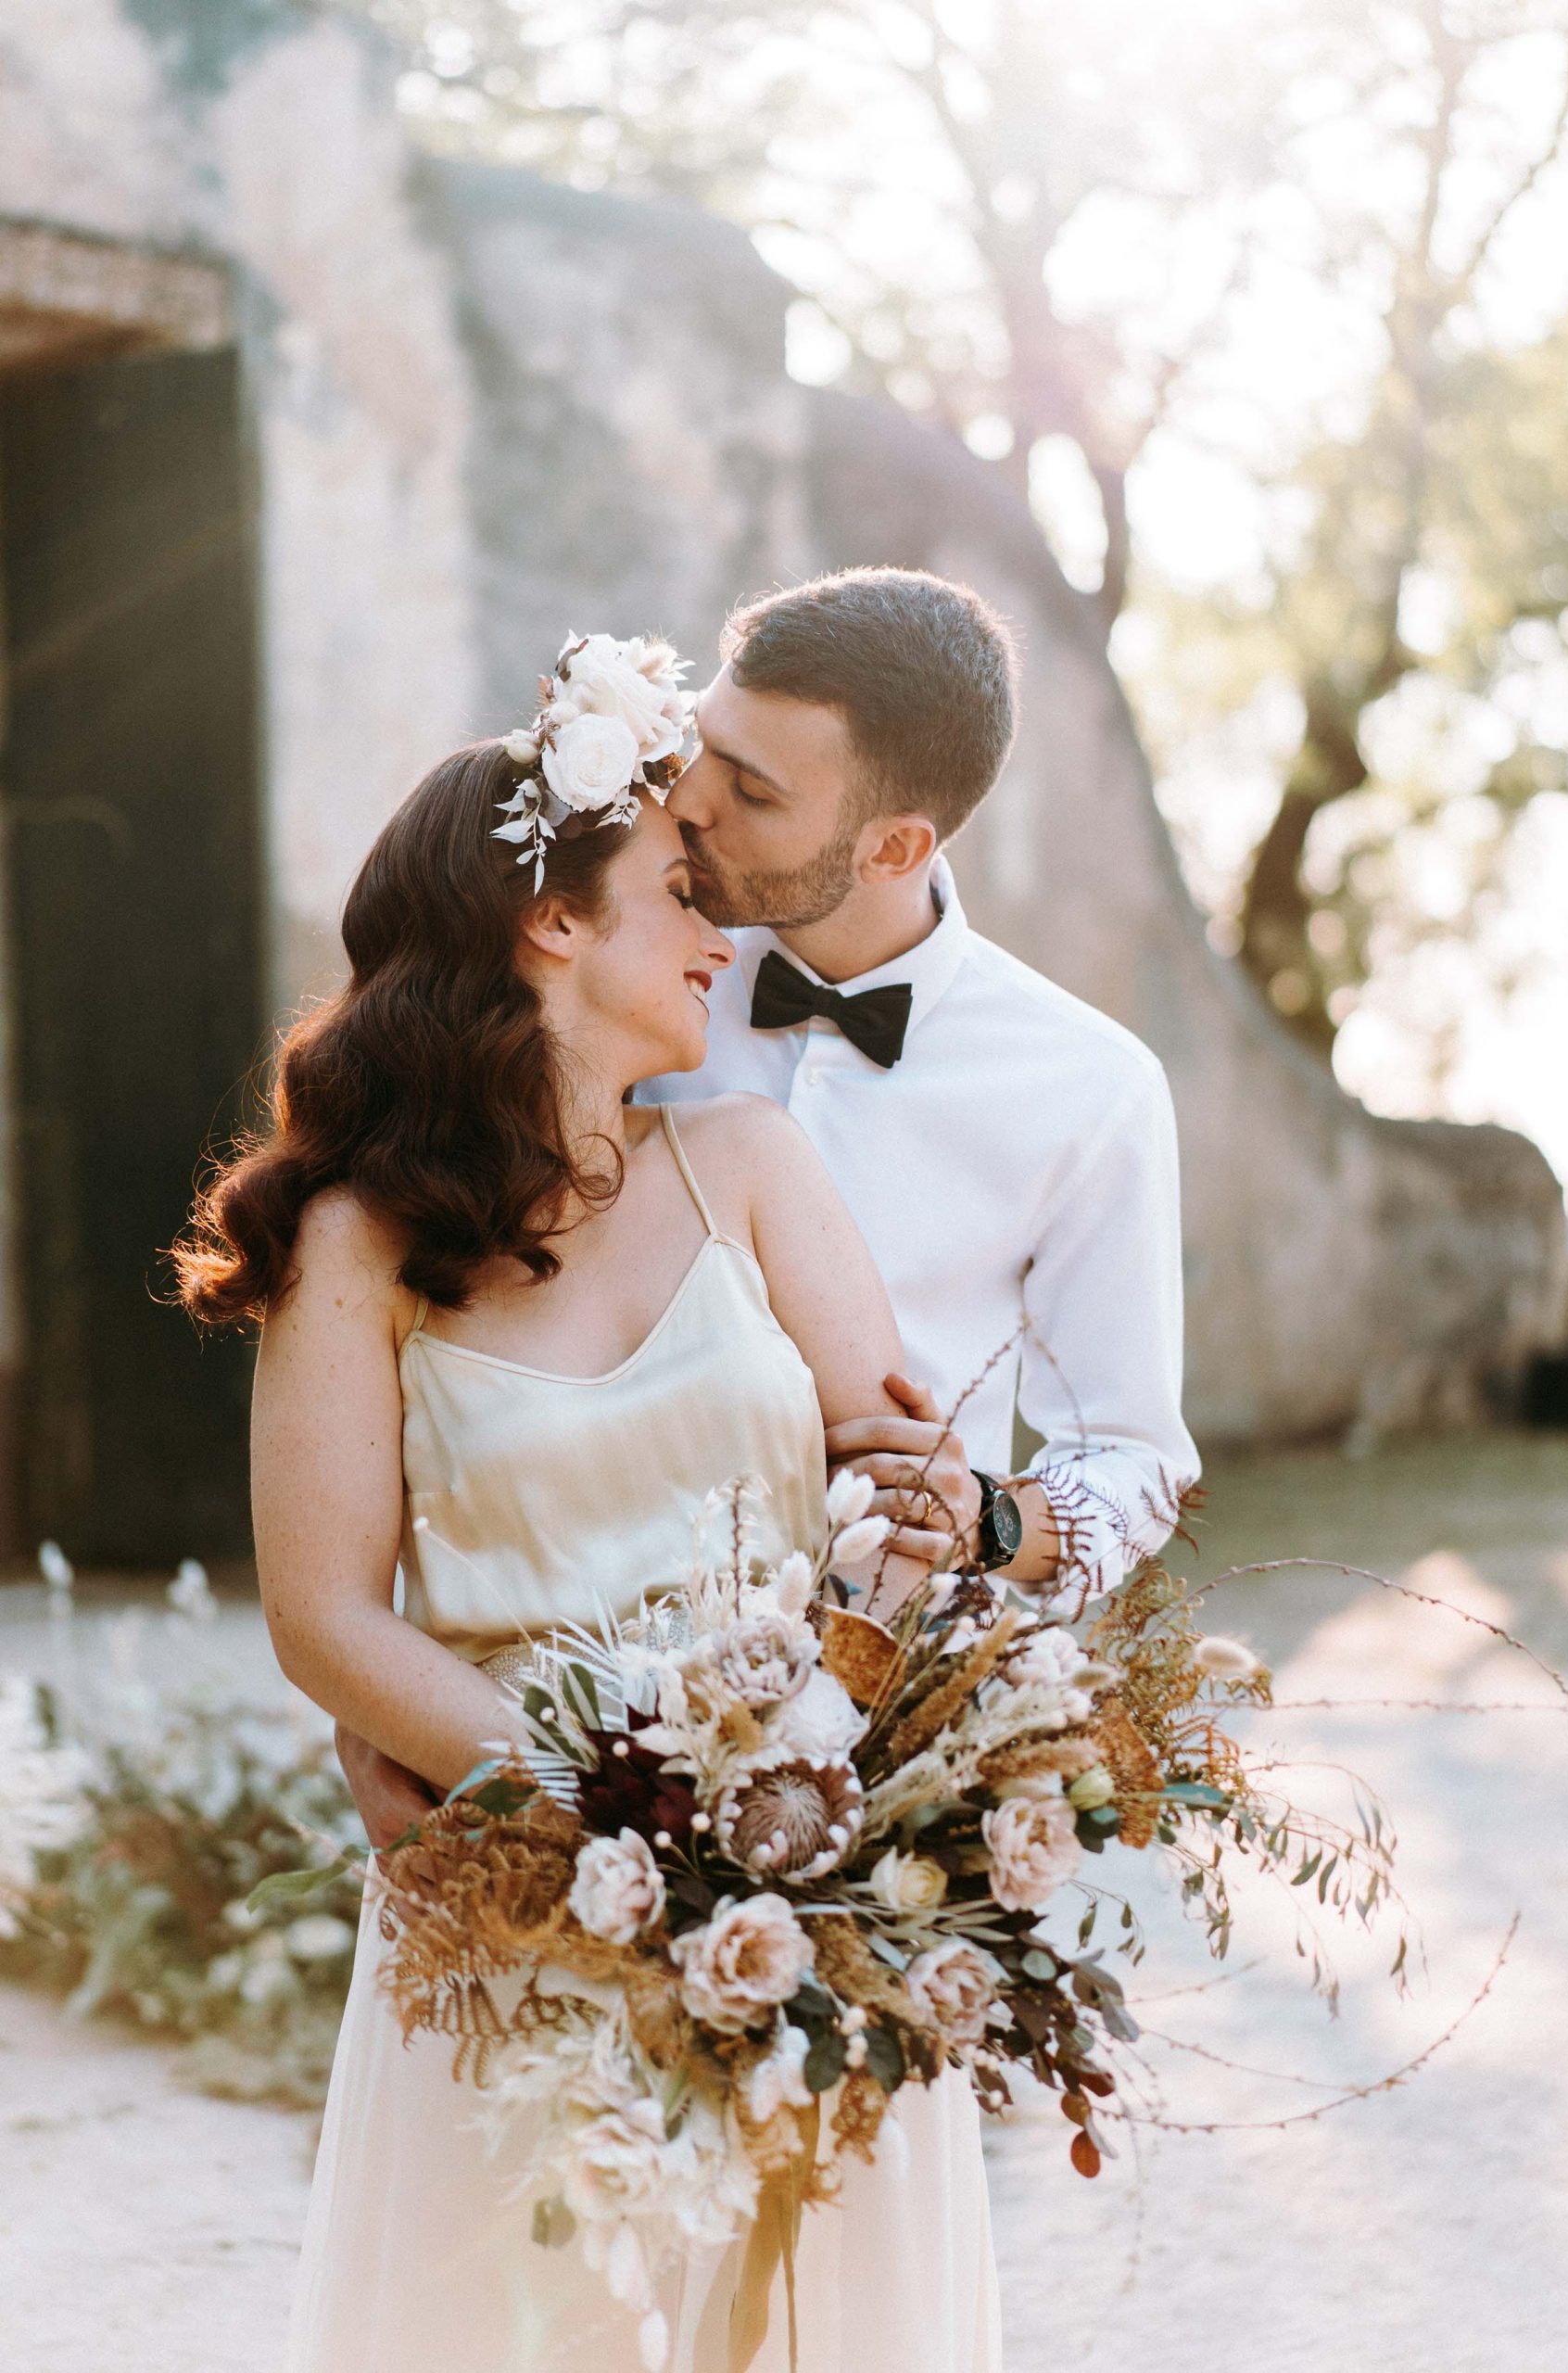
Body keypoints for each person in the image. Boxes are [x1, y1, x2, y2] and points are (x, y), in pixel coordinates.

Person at [175, 638, 999, 2373]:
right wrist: (611, 1820)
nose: (724, 935)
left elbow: (896, 1500)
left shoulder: (759, 1168)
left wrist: (921, 1557)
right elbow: (324, 1615)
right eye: (678, 896)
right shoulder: (357, 1245)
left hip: (795, 1901)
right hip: (525, 1912)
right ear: (553, 922)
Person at [340, 569, 1199, 1853]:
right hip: (550, 1729)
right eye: (707, 752)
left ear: (895, 846)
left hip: (878, 1754)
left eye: (754, 794)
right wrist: (392, 1698)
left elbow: (1138, 1459)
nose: (690, 804)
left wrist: (994, 1522)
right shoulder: (627, 964)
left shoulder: (1092, 1090)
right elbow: (430, 1257)